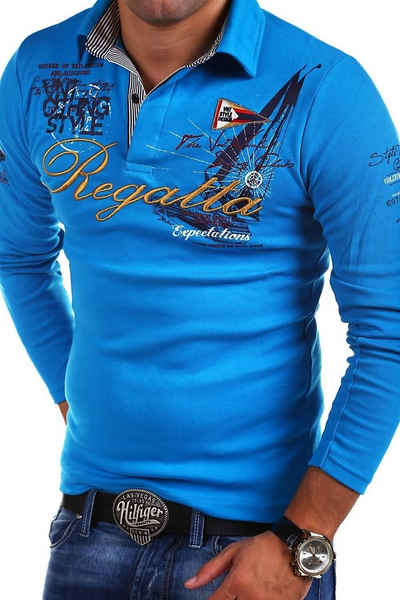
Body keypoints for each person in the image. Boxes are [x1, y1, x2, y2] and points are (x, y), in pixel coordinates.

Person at [0, 0, 398, 598]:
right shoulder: (38, 69)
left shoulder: (327, 86)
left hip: (256, 546)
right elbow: (20, 258)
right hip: (89, 530)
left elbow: (391, 329)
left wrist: (304, 537)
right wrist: (75, 397)